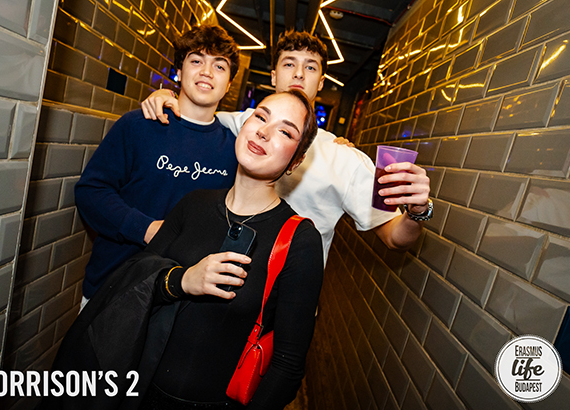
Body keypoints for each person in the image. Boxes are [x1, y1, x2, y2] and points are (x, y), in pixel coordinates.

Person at [45, 90, 323, 410]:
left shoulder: (299, 240)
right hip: (137, 394)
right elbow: (133, 283)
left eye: (285, 132)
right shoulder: (194, 204)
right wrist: (183, 280)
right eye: (261, 116)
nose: (264, 131)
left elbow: (288, 365)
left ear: (295, 161)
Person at [141, 30, 432, 264]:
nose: (299, 74)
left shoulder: (343, 158)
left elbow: (395, 238)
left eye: (310, 67)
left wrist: (417, 210)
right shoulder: (246, 124)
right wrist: (167, 97)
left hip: (286, 299)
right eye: (289, 64)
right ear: (273, 76)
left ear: (321, 82)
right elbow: (197, 115)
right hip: (213, 283)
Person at [74, 25, 241, 302]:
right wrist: (146, 229)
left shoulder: (234, 151)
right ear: (179, 72)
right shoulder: (138, 125)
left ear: (229, 84)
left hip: (181, 302)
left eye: (219, 66)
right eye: (196, 61)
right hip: (112, 289)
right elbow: (90, 192)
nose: (207, 72)